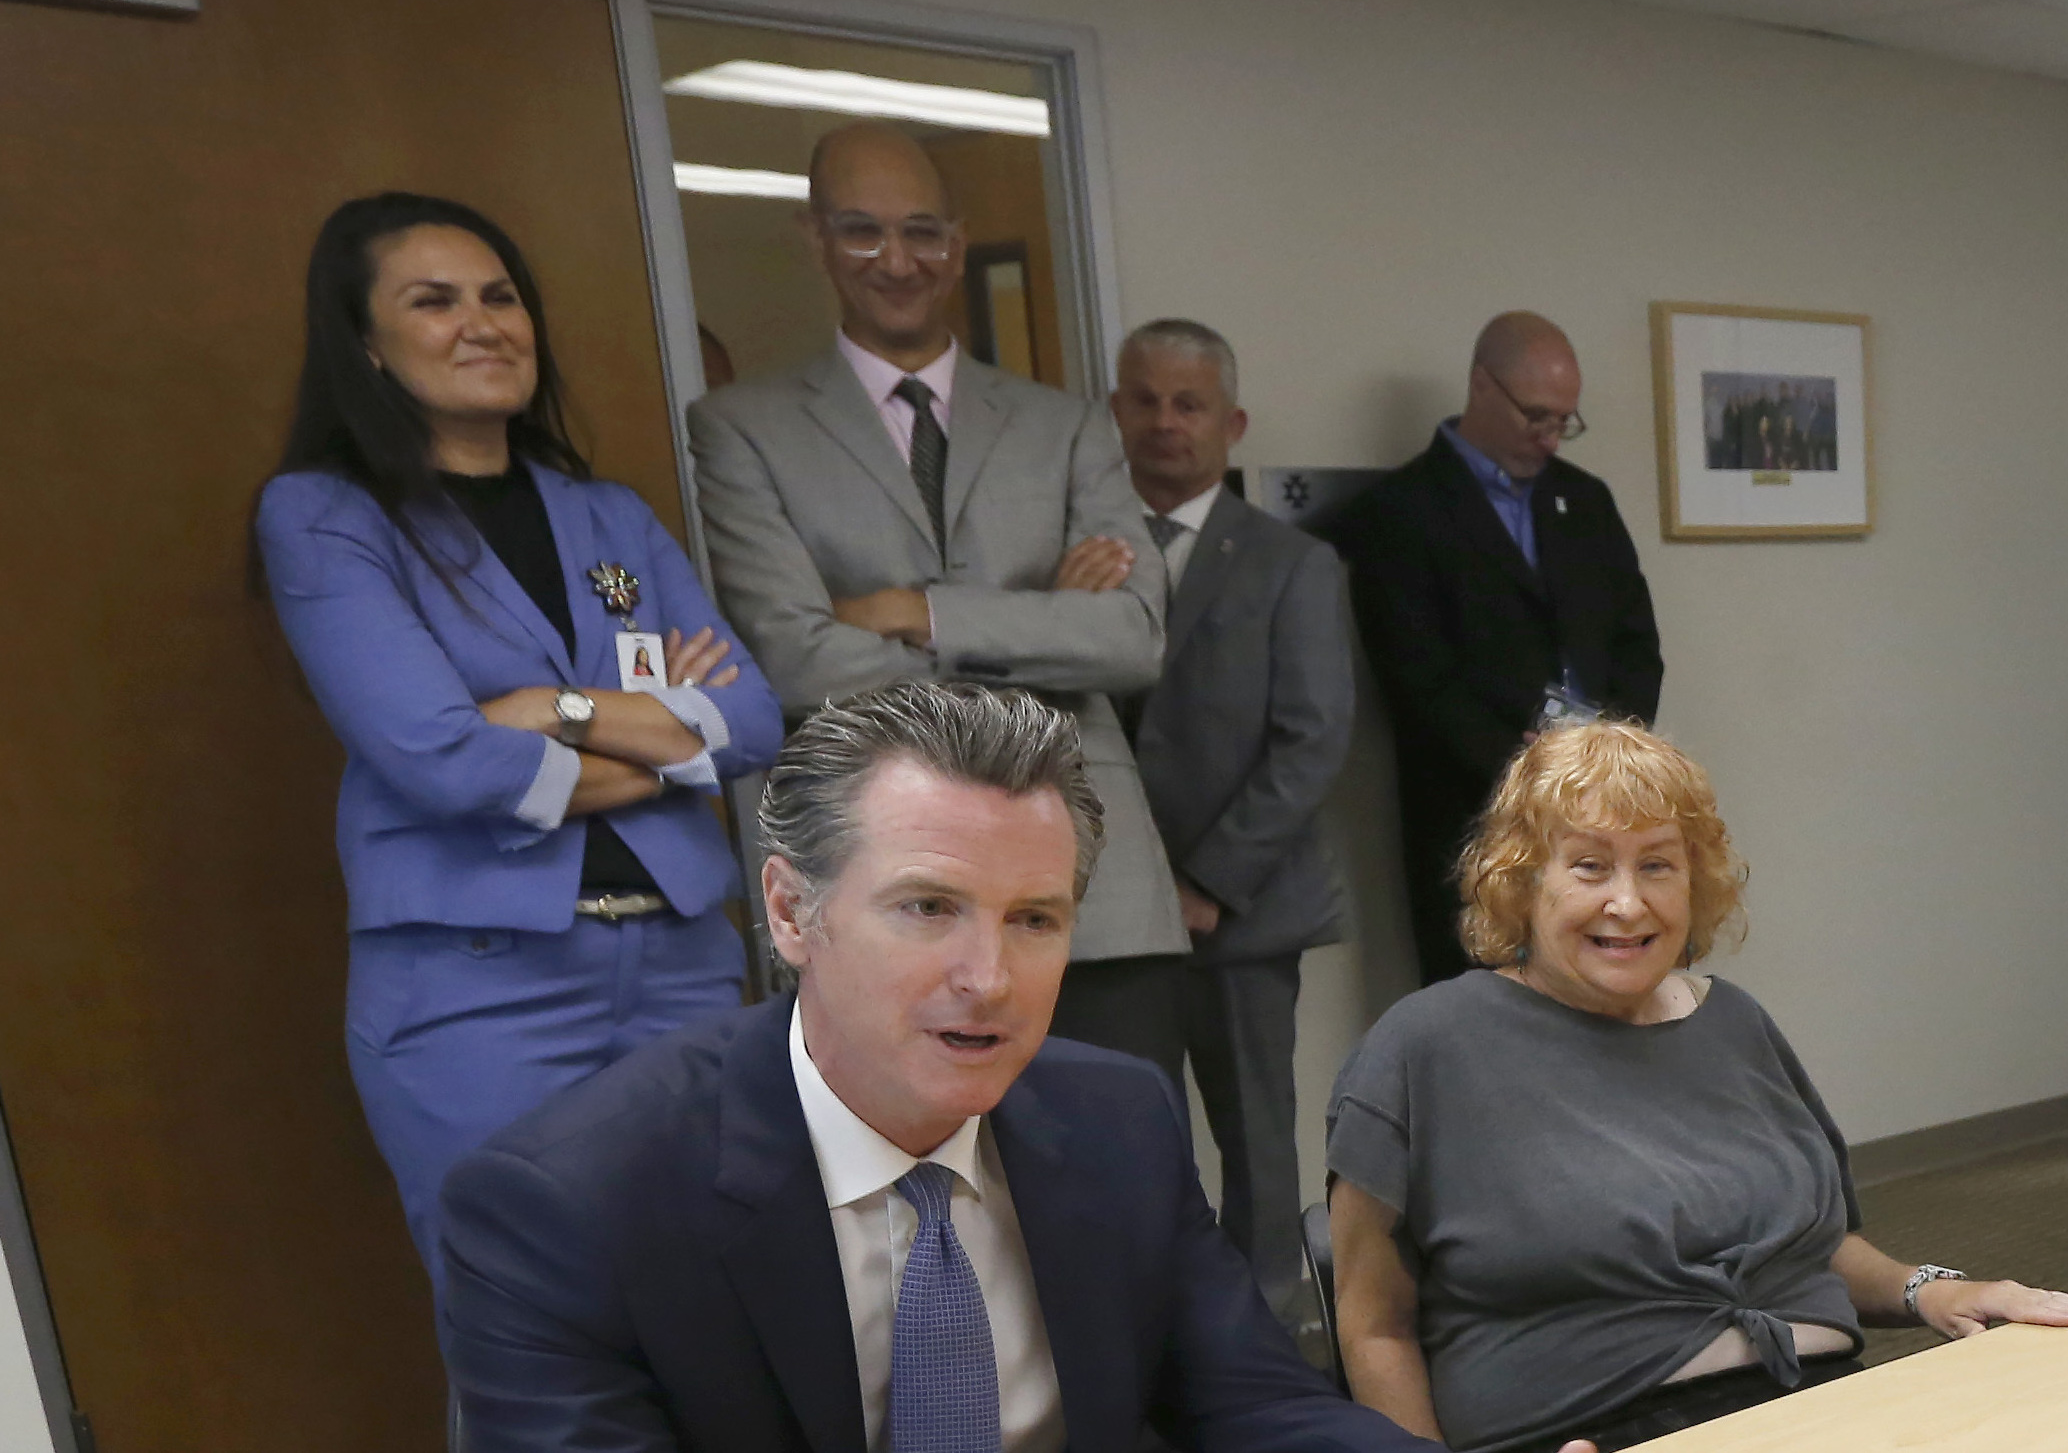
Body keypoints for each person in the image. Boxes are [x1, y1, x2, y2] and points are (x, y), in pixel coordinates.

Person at [436, 684, 1452, 1453]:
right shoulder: (568, 1204)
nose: (988, 978)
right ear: (791, 912)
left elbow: (1253, 1408)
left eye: (1033, 920)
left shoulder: (1116, 1117)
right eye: (928, 908)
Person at [251, 193, 783, 1285]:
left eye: (500, 296)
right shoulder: (326, 516)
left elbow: (750, 721)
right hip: (479, 986)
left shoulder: (614, 518)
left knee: (719, 1300)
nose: (481, 322)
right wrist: (660, 743)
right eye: (433, 301)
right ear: (367, 344)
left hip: (683, 965)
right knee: (528, 1320)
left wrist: (554, 707)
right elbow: (441, 759)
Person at [1324, 720, 2068, 1453]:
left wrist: (1927, 1289)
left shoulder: (1733, 1023)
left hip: (1821, 1401)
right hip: (1596, 1429)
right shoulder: (1426, 1046)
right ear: (1523, 881)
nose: (1627, 902)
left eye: (1657, 864)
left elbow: (1809, 1248)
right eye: (1589, 865)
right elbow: (1375, 1327)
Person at [689, 122, 1187, 1066]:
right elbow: (795, 658)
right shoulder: (740, 427)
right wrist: (1043, 622)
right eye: (861, 232)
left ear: (956, 243)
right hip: (887, 883)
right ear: (815, 239)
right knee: (927, 1178)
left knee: (1129, 1174)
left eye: (922, 232)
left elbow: (1129, 638)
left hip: (1098, 886)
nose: (897, 261)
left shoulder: (1067, 425)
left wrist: (916, 611)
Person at [1107, 318, 1356, 1315]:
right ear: (1115, 410)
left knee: (1255, 1129)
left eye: (1189, 403)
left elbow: (1312, 739)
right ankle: (1156, 1315)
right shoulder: (1077, 556)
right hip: (1104, 908)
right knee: (1129, 1120)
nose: (1166, 423)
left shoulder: (1291, 563)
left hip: (1242, 907)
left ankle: (1265, 1322)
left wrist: (1206, 881)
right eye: (1146, 399)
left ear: (1230, 421)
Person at [1331, 312, 1662, 983]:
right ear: (1482, 387)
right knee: (1483, 1027)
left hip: (1599, 816)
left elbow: (1635, 646)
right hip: (1472, 822)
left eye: (1562, 422)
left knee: (1601, 1012)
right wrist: (1534, 783)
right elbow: (1419, 681)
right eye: (1535, 417)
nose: (1548, 438)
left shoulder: (1584, 500)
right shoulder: (1402, 511)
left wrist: (1604, 765)